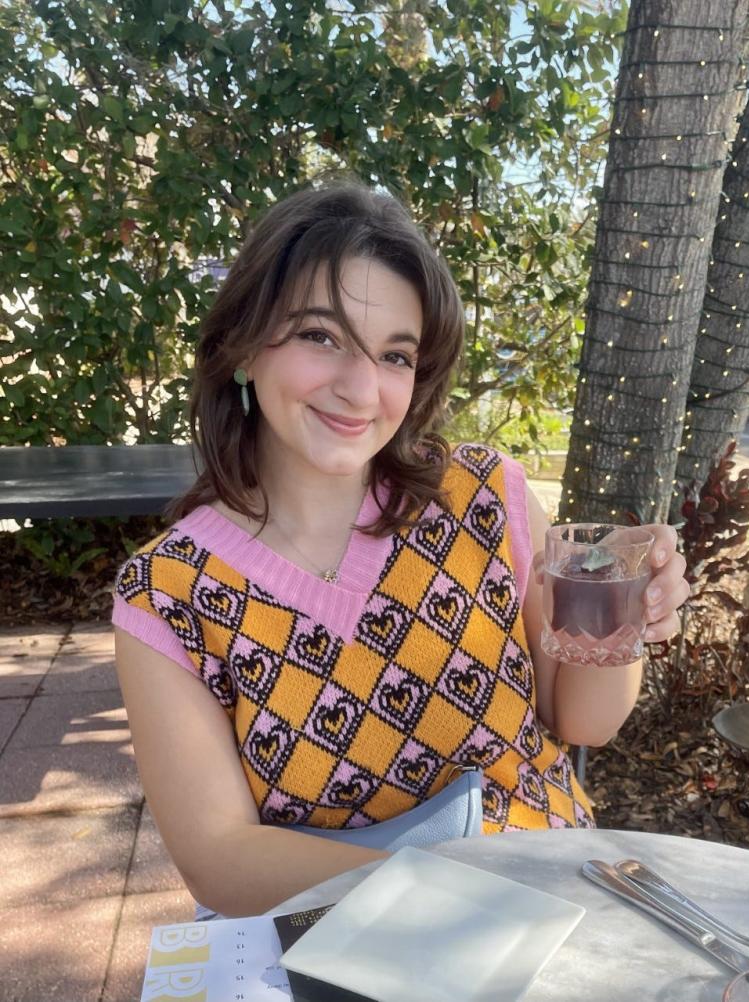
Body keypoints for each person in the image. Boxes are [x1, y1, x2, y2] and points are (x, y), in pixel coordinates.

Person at [112, 179, 689, 918]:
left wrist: (626, 615)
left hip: (556, 909)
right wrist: (455, 895)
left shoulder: (484, 495)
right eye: (321, 336)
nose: (360, 390)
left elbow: (585, 722)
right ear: (243, 348)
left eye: (393, 355)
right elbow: (222, 860)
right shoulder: (168, 592)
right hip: (348, 942)